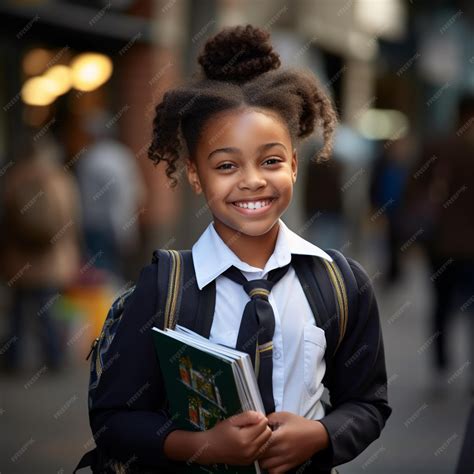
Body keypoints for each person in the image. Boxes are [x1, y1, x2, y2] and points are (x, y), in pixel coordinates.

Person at [88, 25, 391, 473]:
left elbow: (368, 403)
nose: (251, 180)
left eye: (270, 160)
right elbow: (114, 421)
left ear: (293, 163)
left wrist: (321, 434)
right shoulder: (165, 287)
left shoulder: (341, 283)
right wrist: (199, 446)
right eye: (226, 165)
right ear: (194, 175)